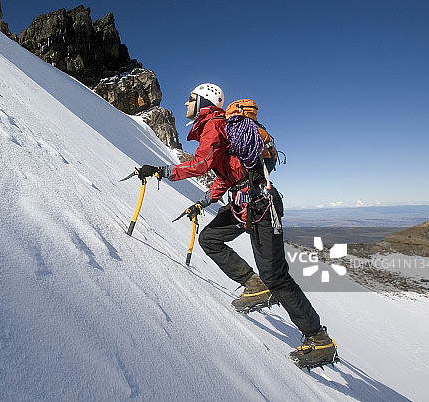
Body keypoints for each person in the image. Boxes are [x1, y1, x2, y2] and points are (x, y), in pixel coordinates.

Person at [135, 83, 337, 369]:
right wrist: (203, 203)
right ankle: (253, 284)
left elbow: (202, 164)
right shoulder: (216, 128)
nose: (185, 104)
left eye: (190, 99)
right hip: (247, 202)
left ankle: (319, 339)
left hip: (259, 205)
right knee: (211, 238)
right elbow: (225, 175)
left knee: (276, 276)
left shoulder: (213, 125)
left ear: (203, 101)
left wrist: (163, 170)